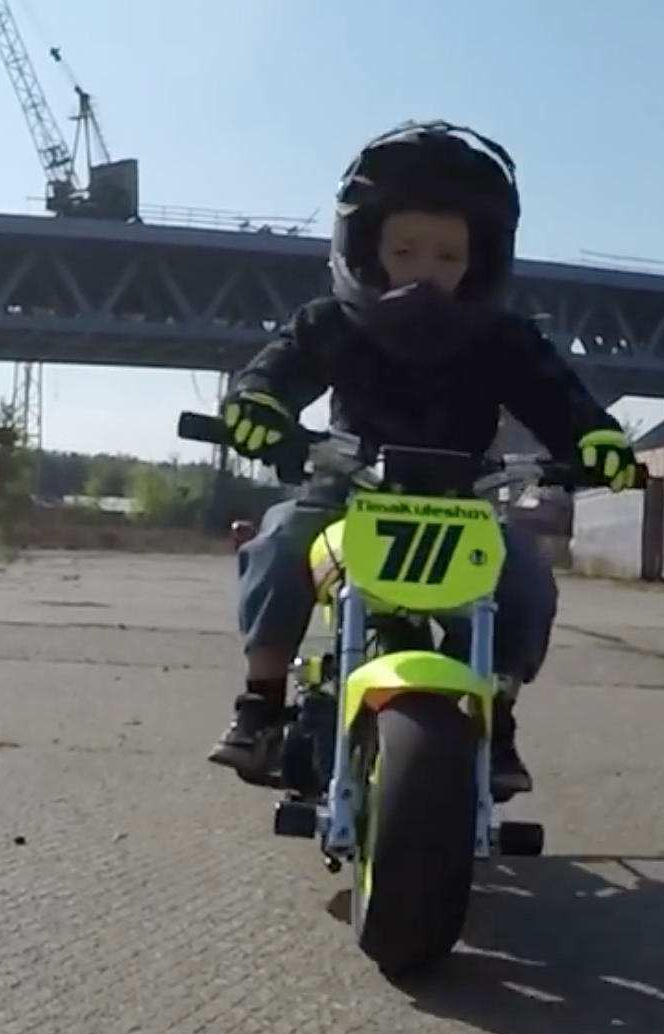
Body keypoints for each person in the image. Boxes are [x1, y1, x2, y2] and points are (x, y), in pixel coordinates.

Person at [205, 120, 641, 801]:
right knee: (280, 541)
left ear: (480, 261)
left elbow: (558, 397)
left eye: (447, 255)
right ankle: (261, 705)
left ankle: (495, 712)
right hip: (345, 493)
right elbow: (277, 371)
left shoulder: (506, 339)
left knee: (525, 578)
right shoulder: (328, 322)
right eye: (405, 251)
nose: (426, 269)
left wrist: (597, 439)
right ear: (366, 251)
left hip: (463, 502)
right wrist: (257, 404)